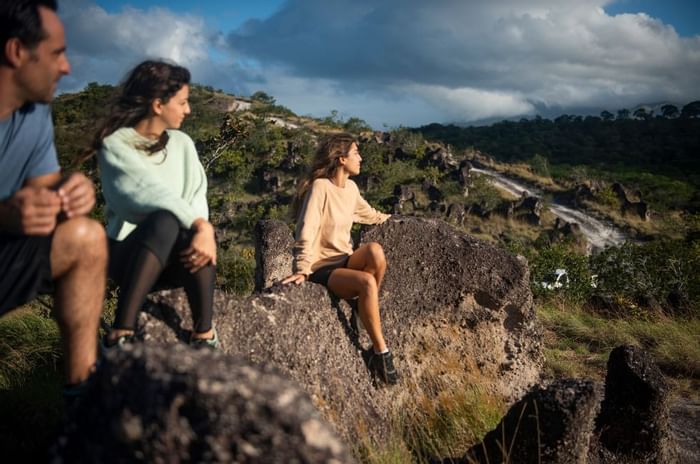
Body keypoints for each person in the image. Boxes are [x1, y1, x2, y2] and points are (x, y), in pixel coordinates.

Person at [0, 0, 107, 394]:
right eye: (57, 53)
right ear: (16, 52)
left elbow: (44, 187)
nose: (67, 68)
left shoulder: (35, 112)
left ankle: (84, 398)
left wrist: (70, 192)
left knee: (87, 238)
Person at [91, 60, 218, 349]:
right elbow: (143, 194)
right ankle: (121, 331)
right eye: (182, 102)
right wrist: (199, 224)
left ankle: (204, 335)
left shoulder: (182, 143)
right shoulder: (116, 144)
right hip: (129, 254)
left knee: (197, 234)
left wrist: (203, 228)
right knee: (165, 220)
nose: (188, 110)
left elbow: (197, 195)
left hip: (173, 258)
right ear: (158, 104)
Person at [282, 133, 398, 384]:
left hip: (344, 260)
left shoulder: (352, 189)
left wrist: (398, 221)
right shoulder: (320, 187)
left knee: (375, 250)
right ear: (342, 158)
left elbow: (370, 215)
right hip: (321, 267)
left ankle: (360, 307)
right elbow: (306, 227)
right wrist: (302, 269)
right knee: (367, 282)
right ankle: (380, 352)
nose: (361, 158)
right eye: (356, 153)